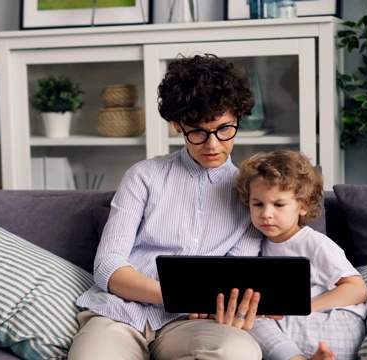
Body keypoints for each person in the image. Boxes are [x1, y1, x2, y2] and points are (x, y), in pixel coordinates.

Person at [68, 53, 266, 360]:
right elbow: (108, 267)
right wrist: (180, 296)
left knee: (238, 351)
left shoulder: (253, 193)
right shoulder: (144, 176)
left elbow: (236, 277)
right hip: (120, 316)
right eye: (197, 131)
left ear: (238, 118)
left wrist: (227, 306)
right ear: (177, 124)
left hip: (189, 325)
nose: (213, 145)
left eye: (225, 129)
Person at [235, 149, 367, 360]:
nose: (266, 214)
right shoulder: (258, 245)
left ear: (303, 206)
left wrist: (305, 308)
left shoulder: (314, 244)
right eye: (258, 204)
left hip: (337, 324)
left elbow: (357, 289)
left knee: (251, 321)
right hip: (304, 327)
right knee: (246, 318)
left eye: (279, 204)